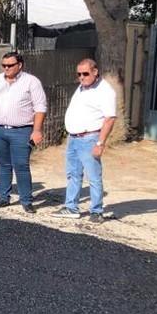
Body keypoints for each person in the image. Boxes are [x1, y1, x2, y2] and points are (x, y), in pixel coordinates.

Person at [51, 58, 117, 224]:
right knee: (73, 174)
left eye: (85, 74)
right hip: (74, 138)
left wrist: (100, 143)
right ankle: (71, 207)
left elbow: (110, 118)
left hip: (89, 138)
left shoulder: (105, 91)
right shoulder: (82, 87)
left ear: (95, 72)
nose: (81, 77)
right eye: (79, 74)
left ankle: (96, 210)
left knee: (93, 176)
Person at [0, 51, 47, 213]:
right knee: (3, 164)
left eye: (10, 65)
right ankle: (3, 197)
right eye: (4, 65)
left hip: (22, 131)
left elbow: (40, 107)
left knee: (21, 165)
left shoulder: (31, 82)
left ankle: (26, 200)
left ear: (20, 65)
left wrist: (37, 130)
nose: (6, 68)